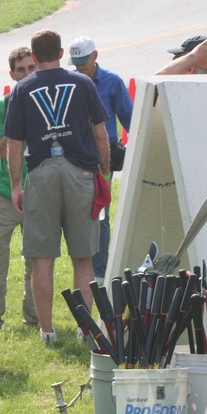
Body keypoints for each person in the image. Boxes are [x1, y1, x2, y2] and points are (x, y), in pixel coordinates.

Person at [4, 30, 110, 344]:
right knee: (83, 257)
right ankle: (85, 328)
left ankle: (47, 331)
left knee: (42, 258)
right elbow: (101, 133)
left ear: (34, 57)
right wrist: (103, 171)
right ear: (61, 52)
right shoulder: (84, 83)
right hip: (80, 171)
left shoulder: (22, 89)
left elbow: (14, 142)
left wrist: (14, 184)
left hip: (41, 171)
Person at [0, 47, 37, 333]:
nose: (26, 74)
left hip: (40, 191)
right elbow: (3, 146)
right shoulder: (0, 106)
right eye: (21, 70)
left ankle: (36, 318)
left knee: (37, 257)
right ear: (12, 74)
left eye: (31, 68)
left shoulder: (46, 102)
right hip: (2, 192)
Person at [69, 36, 133, 283]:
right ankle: (85, 266)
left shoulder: (112, 82)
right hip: (75, 155)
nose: (80, 67)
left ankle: (99, 270)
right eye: (76, 63)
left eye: (84, 62)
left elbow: (130, 119)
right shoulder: (72, 80)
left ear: (95, 56)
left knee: (100, 214)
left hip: (102, 158)